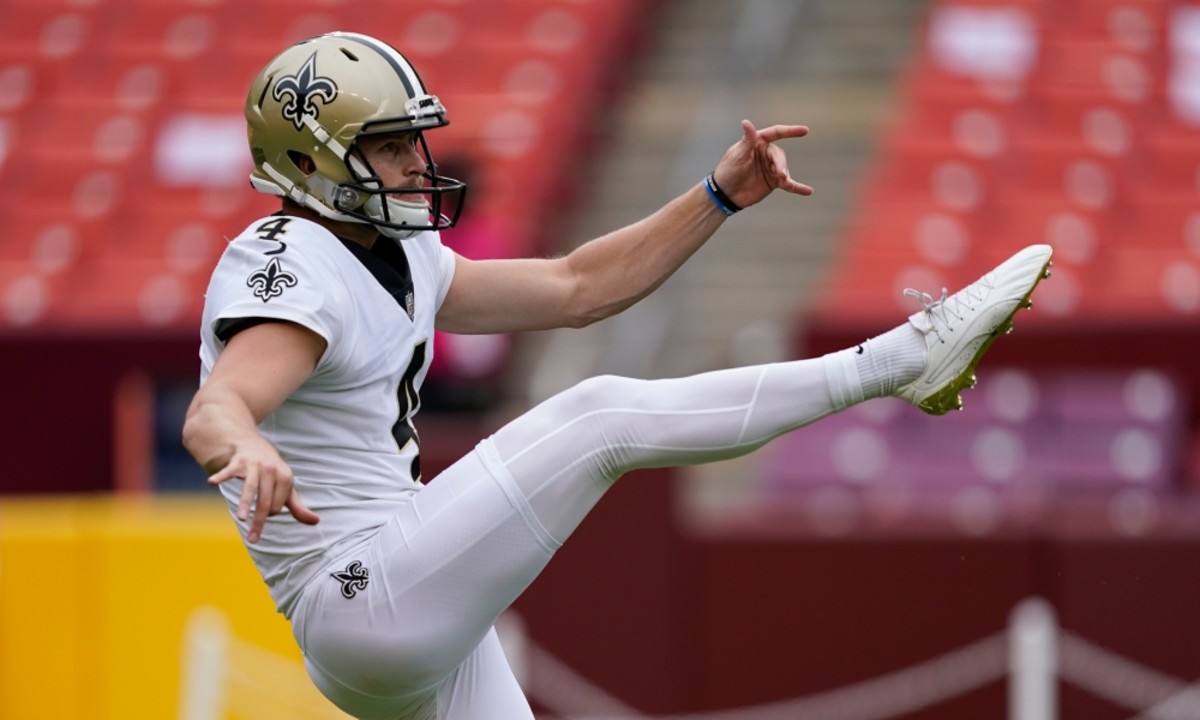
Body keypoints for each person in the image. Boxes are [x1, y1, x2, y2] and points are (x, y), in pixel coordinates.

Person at [182, 31, 1053, 720]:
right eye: (389, 145)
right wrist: (245, 444)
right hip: (362, 598)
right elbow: (216, 408)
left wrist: (714, 196)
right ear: (308, 165)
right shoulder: (292, 260)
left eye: (414, 136)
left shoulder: (397, 252)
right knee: (599, 414)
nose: (417, 160)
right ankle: (895, 360)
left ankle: (897, 362)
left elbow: (578, 287)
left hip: (407, 603)